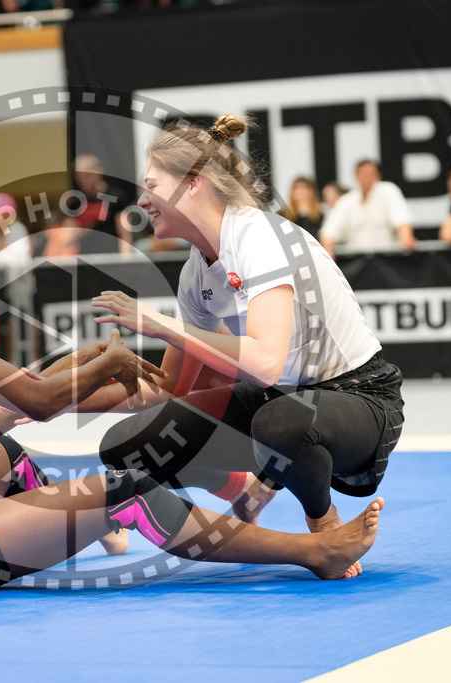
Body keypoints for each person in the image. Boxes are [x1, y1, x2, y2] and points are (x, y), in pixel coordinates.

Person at [0, 205, 383, 594]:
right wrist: (105, 363)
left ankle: (89, 527)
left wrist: (77, 368)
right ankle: (310, 552)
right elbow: (37, 403)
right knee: (128, 491)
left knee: (1, 453)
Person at [79, 114, 403, 579]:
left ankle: (323, 523)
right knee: (125, 447)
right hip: (281, 400)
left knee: (280, 421)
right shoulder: (195, 272)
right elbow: (169, 388)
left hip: (359, 399)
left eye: (151, 185)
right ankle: (241, 488)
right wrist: (52, 398)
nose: (143, 200)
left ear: (192, 184)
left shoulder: (259, 237)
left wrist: (164, 326)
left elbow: (266, 363)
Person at [318, 160, 417, 258]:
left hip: (387, 259)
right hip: (357, 261)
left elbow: (401, 219)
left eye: (370, 174)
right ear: (356, 176)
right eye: (362, 174)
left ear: (378, 175)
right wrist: (327, 251)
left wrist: (406, 238)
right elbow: (329, 231)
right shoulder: (347, 200)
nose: (366, 177)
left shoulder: (389, 191)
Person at [66, 154, 135, 256]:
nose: (83, 182)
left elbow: (125, 235)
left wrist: (126, 259)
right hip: (85, 257)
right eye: (79, 178)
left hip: (110, 256)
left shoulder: (116, 197)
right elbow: (68, 237)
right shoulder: (76, 201)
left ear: (98, 172)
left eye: (86, 177)